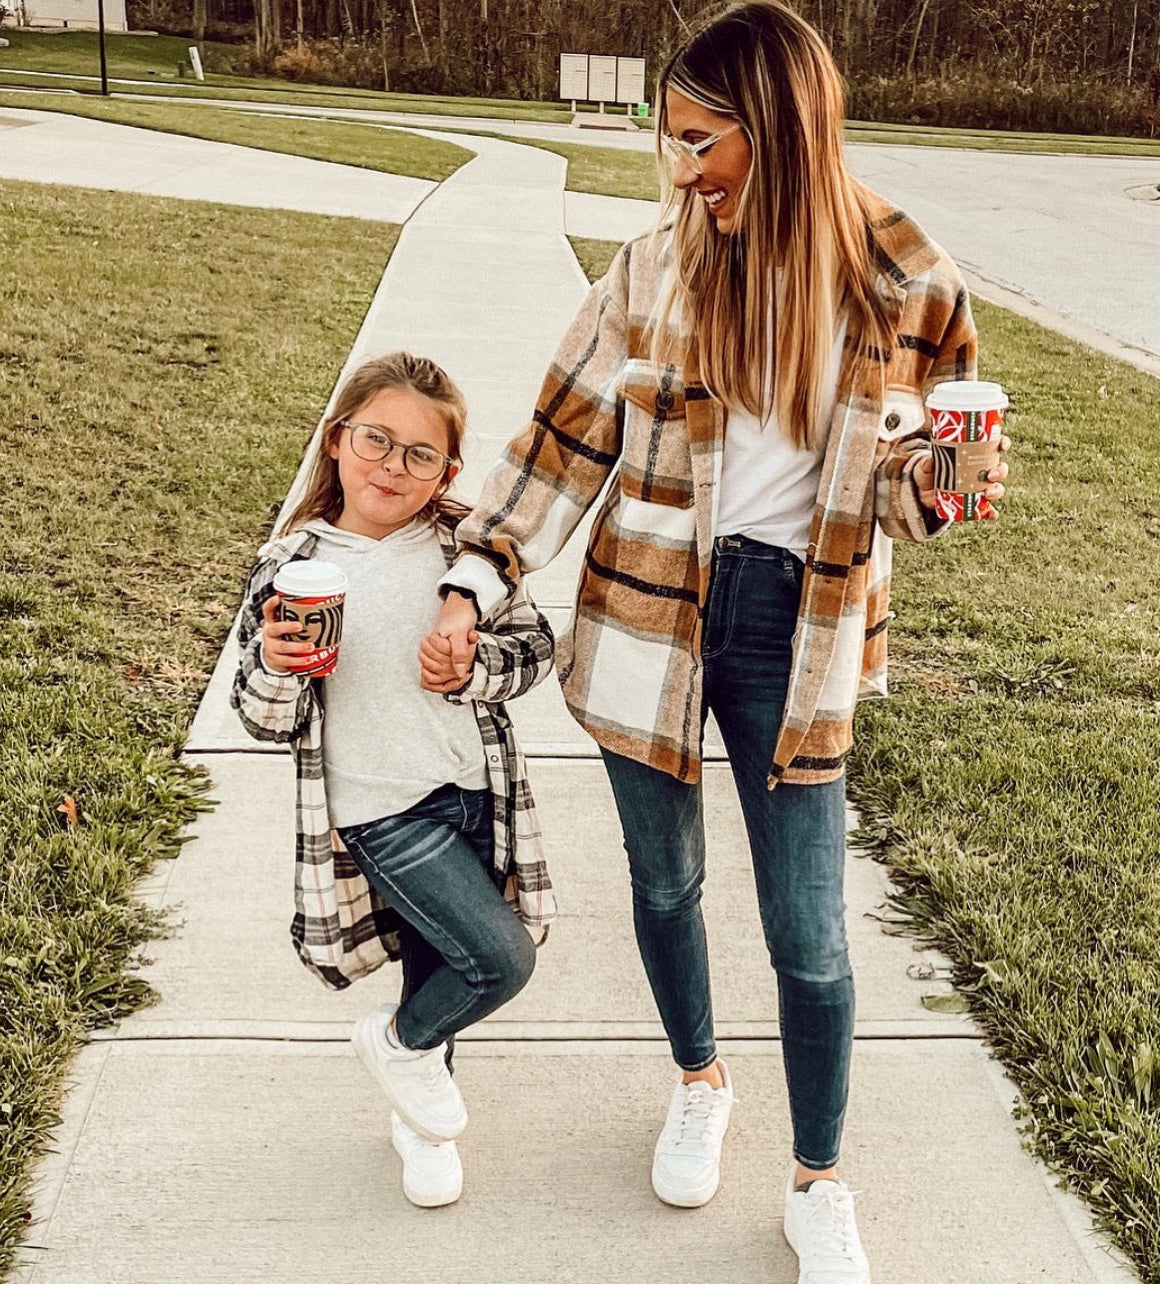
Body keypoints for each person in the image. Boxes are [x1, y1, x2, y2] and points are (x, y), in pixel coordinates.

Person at [430, 1, 1009, 1280]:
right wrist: (478, 573)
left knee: (809, 930)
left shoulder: (908, 281)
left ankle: (817, 1178)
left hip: (797, 627)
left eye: (703, 140)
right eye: (672, 141)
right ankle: (698, 1079)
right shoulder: (652, 271)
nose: (682, 169)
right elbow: (559, 443)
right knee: (663, 883)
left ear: (781, 128)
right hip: (646, 607)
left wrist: (944, 479)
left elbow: (910, 486)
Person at [231, 351, 557, 1210]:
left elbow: (534, 649)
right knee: (498, 958)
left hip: (473, 793)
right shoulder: (292, 564)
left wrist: (475, 667)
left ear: (447, 471)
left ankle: (421, 1125)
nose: (393, 466)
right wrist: (279, 664)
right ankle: (401, 1047)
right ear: (337, 439)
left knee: (440, 964)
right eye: (376, 439)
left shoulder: (463, 550)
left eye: (421, 454)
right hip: (380, 810)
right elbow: (259, 715)